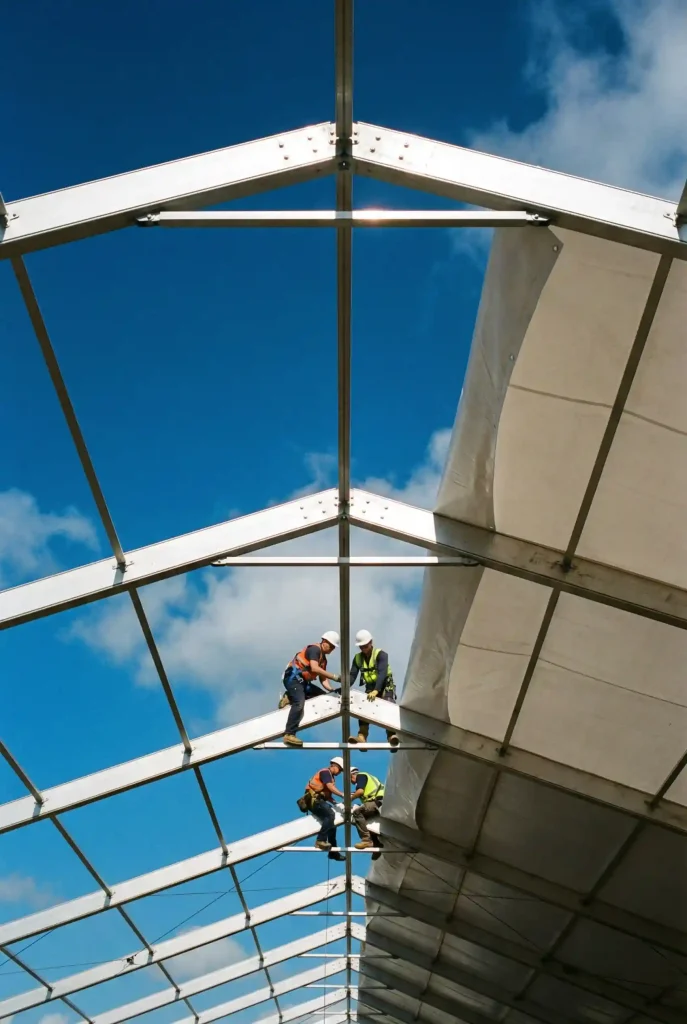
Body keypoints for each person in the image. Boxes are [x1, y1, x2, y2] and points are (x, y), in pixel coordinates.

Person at [280, 631, 342, 747]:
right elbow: (314, 668)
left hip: (302, 682)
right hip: (293, 678)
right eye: (331, 645)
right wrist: (335, 676)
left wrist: (331, 691)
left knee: (323, 697)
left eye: (333, 647)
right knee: (299, 703)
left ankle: (290, 696)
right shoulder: (315, 650)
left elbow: (323, 679)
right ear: (324, 641)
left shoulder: (323, 660)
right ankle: (289, 734)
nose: (331, 649)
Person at [349, 629, 399, 748]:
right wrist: (344, 687)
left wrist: (377, 690)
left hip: (385, 685)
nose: (363, 649)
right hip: (370, 688)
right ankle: (362, 736)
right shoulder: (357, 658)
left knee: (388, 705)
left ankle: (391, 735)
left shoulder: (381, 655)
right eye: (361, 647)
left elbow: (382, 673)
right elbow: (352, 676)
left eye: (365, 646)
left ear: (371, 643)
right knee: (363, 708)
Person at [301, 757, 346, 861]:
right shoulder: (325, 772)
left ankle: (333, 852)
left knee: (332, 826)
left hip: (319, 800)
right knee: (330, 815)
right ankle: (320, 840)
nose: (339, 773)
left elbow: (328, 796)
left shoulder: (330, 776)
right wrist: (342, 794)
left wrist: (337, 803)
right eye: (340, 770)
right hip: (314, 800)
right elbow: (329, 786)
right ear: (335, 766)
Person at [350, 765, 384, 859]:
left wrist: (350, 799)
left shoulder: (361, 776)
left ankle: (366, 840)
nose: (351, 782)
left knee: (357, 813)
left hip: (377, 802)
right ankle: (376, 844)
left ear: (352, 775)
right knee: (365, 822)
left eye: (350, 779)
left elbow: (360, 791)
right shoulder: (368, 777)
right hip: (379, 801)